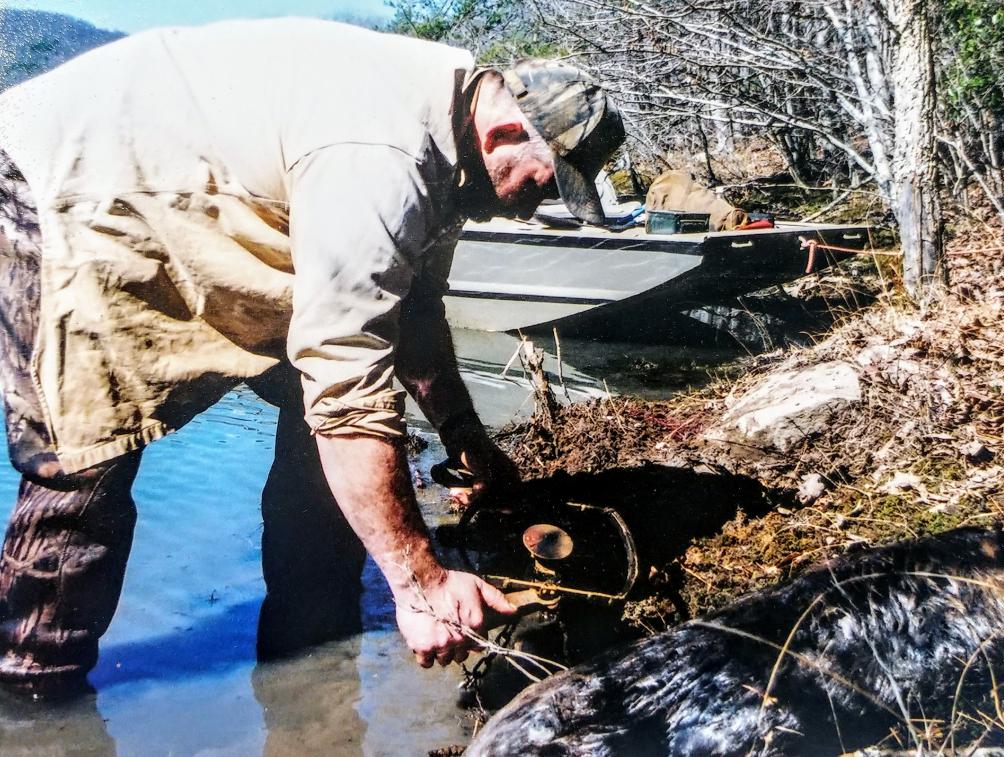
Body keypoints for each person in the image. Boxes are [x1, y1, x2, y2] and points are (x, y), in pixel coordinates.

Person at [0, 17, 625, 696]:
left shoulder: (450, 150)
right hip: (66, 187)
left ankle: (308, 660)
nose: (533, 209)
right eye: (541, 185)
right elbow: (347, 371)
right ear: (503, 134)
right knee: (84, 455)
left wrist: (466, 438)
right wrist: (420, 582)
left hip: (184, 194)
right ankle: (35, 698)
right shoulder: (383, 154)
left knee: (328, 418)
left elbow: (408, 314)